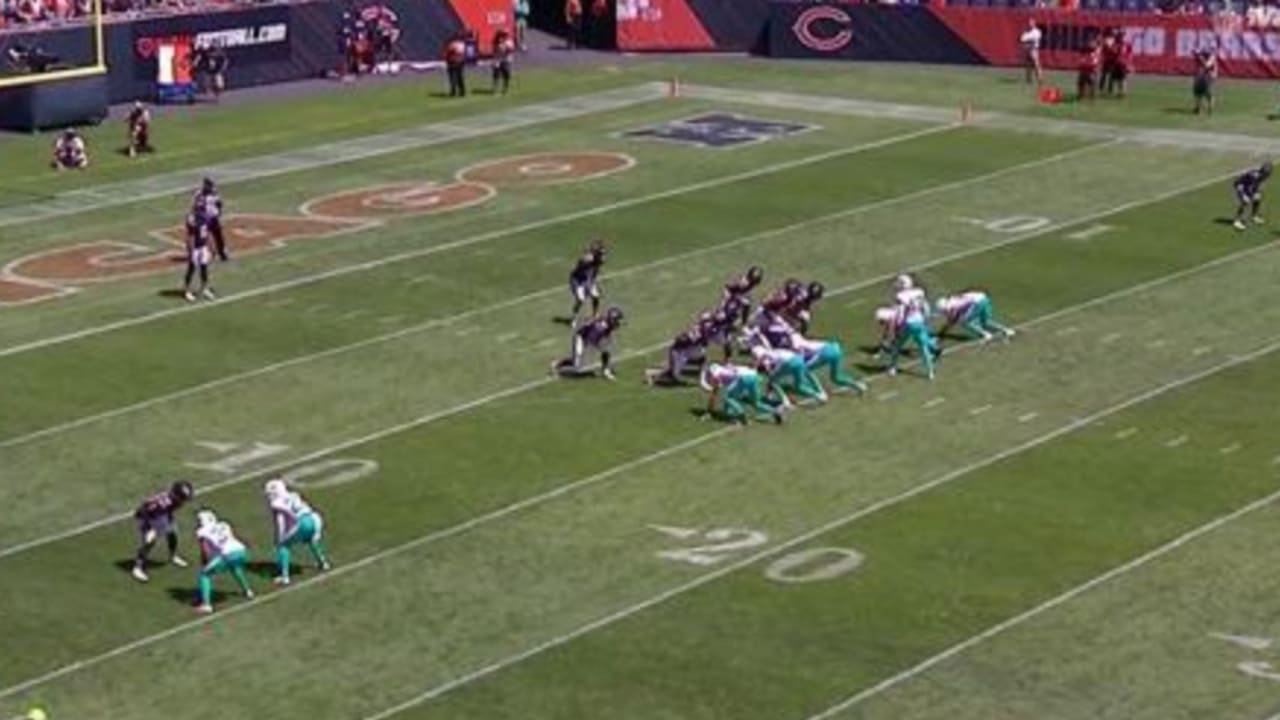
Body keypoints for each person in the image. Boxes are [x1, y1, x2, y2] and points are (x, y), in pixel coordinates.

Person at [264, 479, 332, 586]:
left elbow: (281, 520)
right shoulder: (293, 495)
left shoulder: (276, 503)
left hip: (301, 522)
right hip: (314, 518)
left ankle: (285, 576)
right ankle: (323, 563)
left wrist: (280, 538)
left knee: (283, 546)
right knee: (311, 539)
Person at [130, 481, 196, 583]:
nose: (184, 501)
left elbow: (169, 509)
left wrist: (169, 519)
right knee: (150, 542)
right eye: (183, 498)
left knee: (172, 533)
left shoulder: (174, 501)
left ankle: (173, 556)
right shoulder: (162, 504)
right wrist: (150, 528)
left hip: (162, 515)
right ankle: (137, 568)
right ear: (176, 495)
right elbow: (144, 510)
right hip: (147, 518)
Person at [193, 509, 254, 614]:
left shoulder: (201, 531)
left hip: (227, 554)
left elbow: (205, 549)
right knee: (234, 567)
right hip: (241, 550)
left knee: (204, 574)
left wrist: (205, 562)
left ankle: (206, 605)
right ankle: (248, 591)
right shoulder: (224, 524)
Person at [699, 362, 783, 425]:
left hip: (742, 378)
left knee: (727, 397)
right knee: (756, 403)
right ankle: (775, 412)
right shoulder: (725, 368)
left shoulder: (715, 371)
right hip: (754, 377)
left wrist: (709, 409)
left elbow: (717, 385)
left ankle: (740, 413)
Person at [553, 306, 623, 380]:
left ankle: (605, 370)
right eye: (616, 320)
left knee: (606, 349)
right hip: (581, 338)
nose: (618, 322)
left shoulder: (606, 323)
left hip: (593, 336)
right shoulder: (599, 328)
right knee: (577, 365)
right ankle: (557, 364)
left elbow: (604, 329)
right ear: (611, 319)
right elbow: (590, 341)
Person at [935, 290, 1016, 342]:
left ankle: (985, 334)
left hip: (977, 302)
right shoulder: (952, 301)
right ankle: (1007, 330)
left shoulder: (951, 306)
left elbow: (952, 320)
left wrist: (941, 334)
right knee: (985, 322)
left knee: (965, 322)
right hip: (984, 298)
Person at [567, 239, 605, 323]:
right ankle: (574, 318)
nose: (602, 255)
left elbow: (594, 271)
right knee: (580, 299)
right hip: (578, 280)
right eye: (600, 253)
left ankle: (595, 315)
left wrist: (593, 282)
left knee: (596, 296)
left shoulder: (599, 260)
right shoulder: (587, 259)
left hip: (588, 279)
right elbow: (582, 270)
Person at [182, 210, 216, 302]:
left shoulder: (205, 220)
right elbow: (191, 237)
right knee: (191, 269)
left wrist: (211, 247)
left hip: (203, 247)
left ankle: (204, 288)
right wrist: (191, 250)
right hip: (196, 248)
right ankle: (187, 291)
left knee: (204, 268)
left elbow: (207, 235)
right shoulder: (194, 220)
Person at [192, 177, 227, 261]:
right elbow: (196, 207)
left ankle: (222, 253)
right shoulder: (199, 194)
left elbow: (219, 203)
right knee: (203, 237)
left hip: (214, 218)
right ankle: (206, 254)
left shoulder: (214, 193)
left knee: (218, 236)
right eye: (209, 185)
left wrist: (219, 212)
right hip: (204, 219)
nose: (211, 187)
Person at [1232, 161, 1272, 230]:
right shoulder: (1254, 176)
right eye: (1267, 173)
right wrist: (1243, 194)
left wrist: (1257, 191)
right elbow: (1239, 183)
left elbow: (1256, 184)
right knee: (1245, 202)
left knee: (1257, 198)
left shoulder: (1262, 176)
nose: (1268, 175)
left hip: (1248, 187)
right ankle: (1237, 221)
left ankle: (1254, 216)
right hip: (1241, 186)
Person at [1193, 46, 1217, 115]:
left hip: (1209, 76)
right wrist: (1197, 55)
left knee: (1208, 93)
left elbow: (1207, 65)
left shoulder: (1212, 57)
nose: (1204, 54)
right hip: (1201, 76)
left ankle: (1210, 109)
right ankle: (1198, 108)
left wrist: (1201, 58)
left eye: (1205, 53)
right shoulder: (1203, 57)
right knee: (1198, 92)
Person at [491, 28, 514, 95]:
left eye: (504, 35)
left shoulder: (509, 42)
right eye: (502, 34)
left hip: (506, 60)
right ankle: (495, 88)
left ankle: (505, 88)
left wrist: (506, 49)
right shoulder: (496, 41)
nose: (504, 36)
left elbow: (510, 51)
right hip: (497, 59)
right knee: (496, 74)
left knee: (506, 74)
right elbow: (494, 50)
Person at [444, 33, 467, 97]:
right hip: (457, 61)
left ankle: (455, 91)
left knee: (453, 77)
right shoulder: (461, 44)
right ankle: (461, 91)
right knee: (458, 77)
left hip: (454, 61)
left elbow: (449, 52)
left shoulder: (454, 44)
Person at [1020, 19, 1042, 85]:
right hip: (1027, 50)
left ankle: (1040, 78)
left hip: (1034, 49)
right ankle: (1029, 80)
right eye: (1029, 23)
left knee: (1036, 64)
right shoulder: (1026, 31)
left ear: (1034, 24)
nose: (1029, 24)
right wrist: (1027, 41)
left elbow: (1035, 39)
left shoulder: (1037, 31)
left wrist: (1028, 40)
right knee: (1028, 65)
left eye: (1031, 23)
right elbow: (1022, 39)